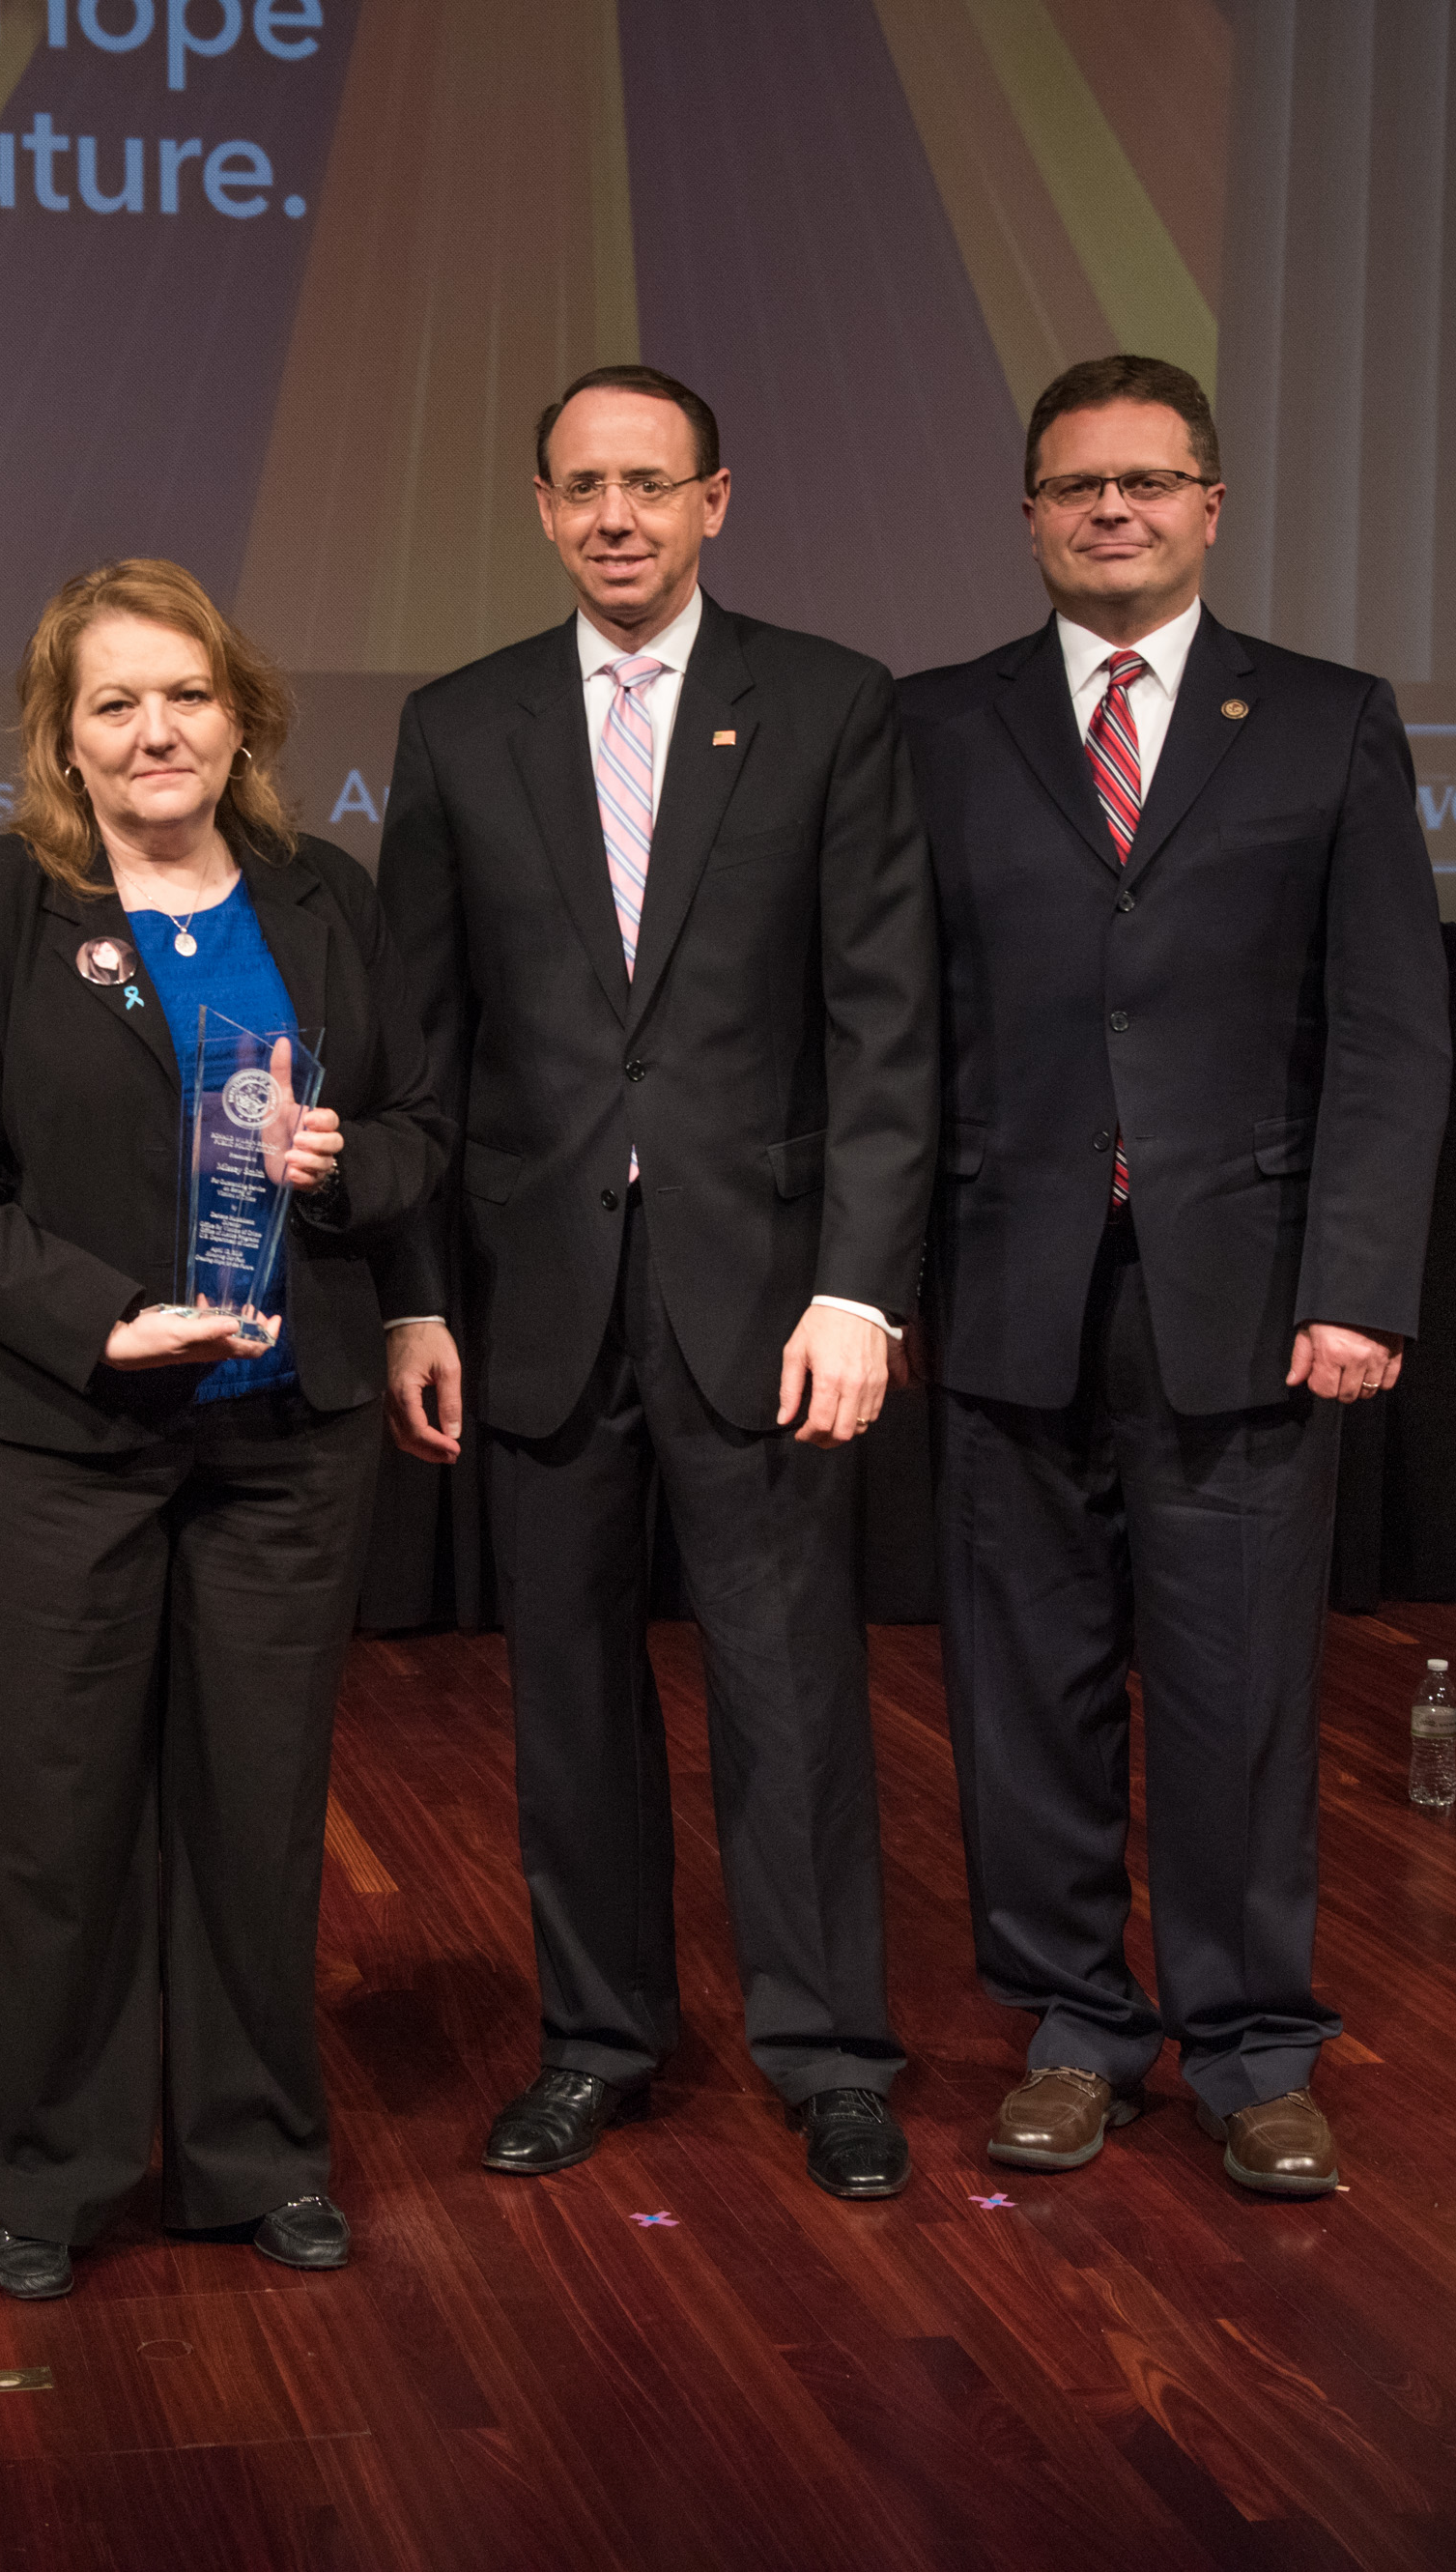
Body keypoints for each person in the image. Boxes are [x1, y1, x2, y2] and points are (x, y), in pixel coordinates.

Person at [375, 364, 938, 2201]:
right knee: (569, 1699)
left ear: (718, 500)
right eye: (582, 486)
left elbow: (883, 1025)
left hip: (765, 1296)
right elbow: (422, 1049)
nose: (617, 515)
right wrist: (416, 1294)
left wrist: (860, 1287)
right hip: (537, 1297)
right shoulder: (459, 727)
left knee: (790, 1692)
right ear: (541, 509)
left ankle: (832, 2051)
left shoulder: (832, 706)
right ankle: (599, 2036)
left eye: (651, 483)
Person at [904, 355, 1451, 2199]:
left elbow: (1389, 1031)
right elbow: (891, 1029)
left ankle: (1250, 2045)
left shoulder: (1327, 720)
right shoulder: (936, 725)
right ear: (1032, 515)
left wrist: (1361, 1280)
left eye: (1150, 481)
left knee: (1237, 1694)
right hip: (1004, 1283)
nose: (1114, 511)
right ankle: (1075, 2025)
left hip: (1248, 1290)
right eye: (1079, 487)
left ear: (1214, 504)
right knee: (1025, 1686)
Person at [0, 557, 444, 2301]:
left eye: (184, 693)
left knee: (260, 1808)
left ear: (240, 710)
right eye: (112, 701)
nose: (154, 729)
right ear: (63, 734)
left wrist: (354, 1172)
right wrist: (97, 1323)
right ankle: (41, 2168)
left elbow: (422, 1127)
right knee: (56, 1812)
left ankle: (253, 2151)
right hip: (53, 1431)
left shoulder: (324, 895)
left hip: (286, 1429)